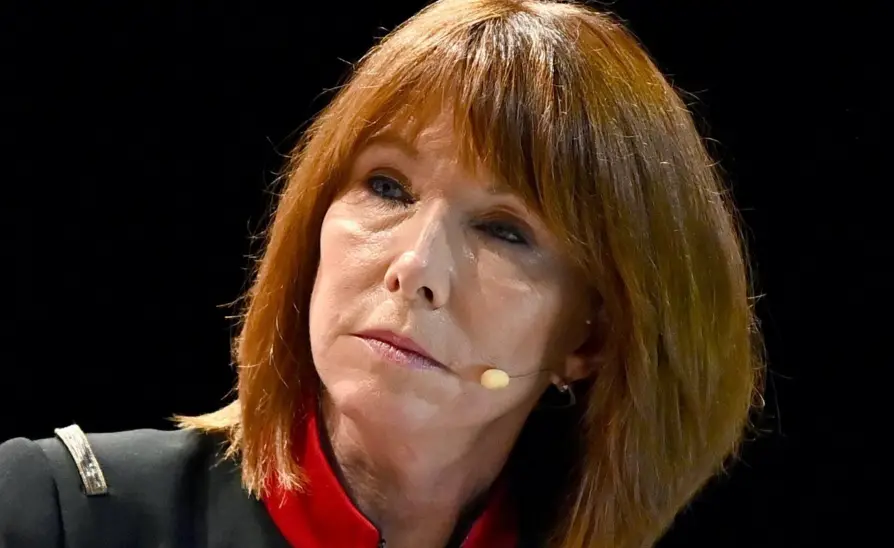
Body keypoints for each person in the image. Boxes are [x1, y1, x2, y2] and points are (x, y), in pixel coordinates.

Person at [0, 0, 764, 546]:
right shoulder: (57, 512)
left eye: (504, 230)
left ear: (588, 340)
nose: (414, 266)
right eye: (388, 186)